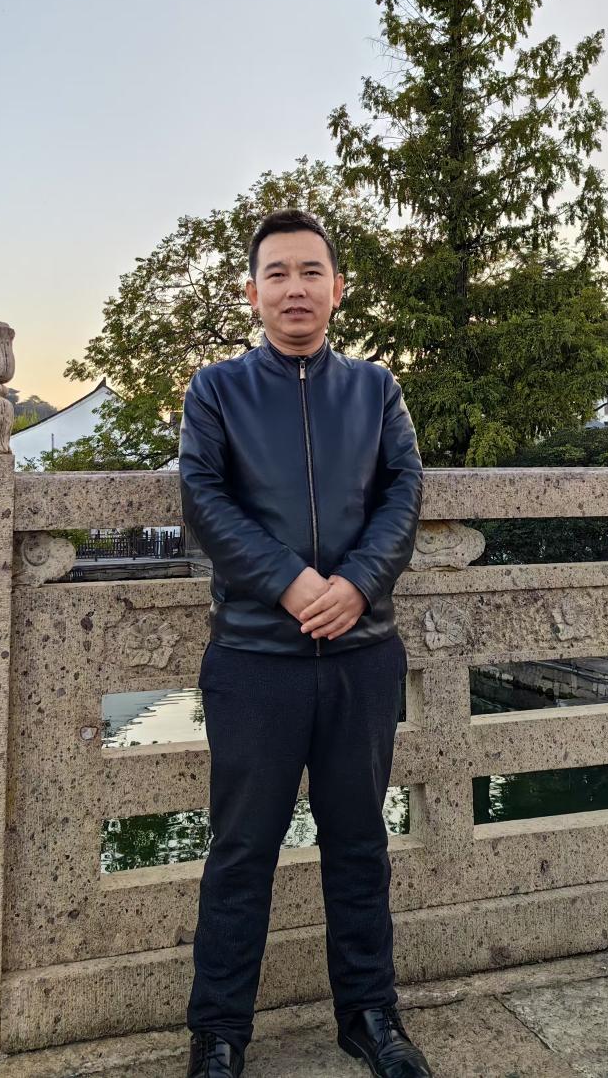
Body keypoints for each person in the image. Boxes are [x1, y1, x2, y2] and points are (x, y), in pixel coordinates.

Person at [178, 208, 433, 1078]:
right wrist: (290, 582)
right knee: (241, 849)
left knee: (359, 842)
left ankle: (370, 1014)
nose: (296, 288)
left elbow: (404, 491)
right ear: (252, 293)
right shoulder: (216, 389)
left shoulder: (376, 389)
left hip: (363, 651)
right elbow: (203, 498)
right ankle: (218, 1032)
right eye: (278, 273)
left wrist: (356, 584)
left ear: (338, 288)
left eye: (311, 272)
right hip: (255, 656)